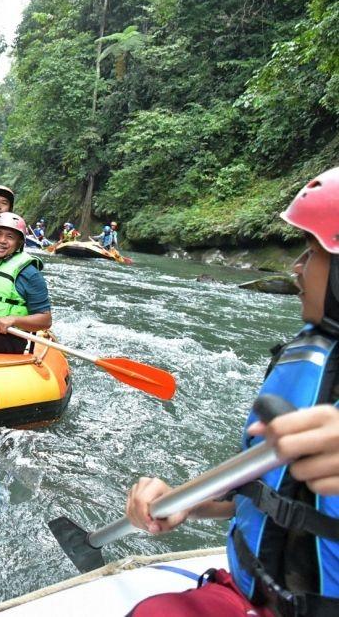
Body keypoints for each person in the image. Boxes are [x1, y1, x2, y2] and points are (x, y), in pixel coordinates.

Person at [123, 167, 339, 616]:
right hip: (253, 595)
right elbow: (257, 493)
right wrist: (181, 502)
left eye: (312, 253)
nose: (297, 267)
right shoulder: (302, 357)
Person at [0, 212, 52, 354]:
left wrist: (13, 320)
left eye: (10, 237)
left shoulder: (30, 273)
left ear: (19, 243)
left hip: (8, 338)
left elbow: (46, 320)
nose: (2, 240)